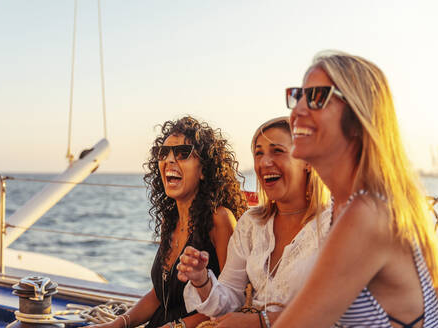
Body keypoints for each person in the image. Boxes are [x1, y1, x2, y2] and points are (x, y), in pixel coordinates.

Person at [270, 51, 438, 327]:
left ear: (359, 119)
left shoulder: (367, 215)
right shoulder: (346, 206)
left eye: (317, 97)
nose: (297, 110)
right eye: (298, 95)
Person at [87, 116, 248, 328]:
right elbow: (158, 296)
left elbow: (233, 304)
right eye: (164, 153)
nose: (170, 160)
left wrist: (176, 326)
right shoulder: (169, 221)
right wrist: (118, 324)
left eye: (183, 153)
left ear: (203, 170)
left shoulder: (220, 219)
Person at [177, 117, 331, 328]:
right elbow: (229, 297)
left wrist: (259, 321)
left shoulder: (334, 223)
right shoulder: (252, 224)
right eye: (259, 153)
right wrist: (201, 279)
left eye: (277, 151)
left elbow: (335, 312)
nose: (264, 162)